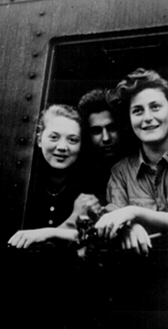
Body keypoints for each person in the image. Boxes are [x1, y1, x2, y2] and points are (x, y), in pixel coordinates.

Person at [94, 68, 168, 255]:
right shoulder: (121, 171)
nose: (148, 118)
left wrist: (133, 213)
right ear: (129, 119)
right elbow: (113, 218)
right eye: (138, 111)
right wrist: (129, 228)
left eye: (155, 107)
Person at [7, 104, 100, 249]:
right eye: (54, 137)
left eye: (72, 140)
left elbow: (92, 240)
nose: (62, 147)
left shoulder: (89, 187)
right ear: (39, 139)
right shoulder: (21, 181)